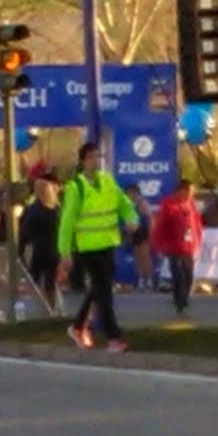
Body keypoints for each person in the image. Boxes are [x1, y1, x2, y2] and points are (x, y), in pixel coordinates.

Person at [57, 141, 138, 352]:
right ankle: (113, 336)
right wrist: (65, 251)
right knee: (104, 292)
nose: (96, 161)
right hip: (88, 247)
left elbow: (124, 205)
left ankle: (77, 326)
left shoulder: (108, 181)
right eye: (92, 157)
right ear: (83, 160)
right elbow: (67, 221)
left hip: (108, 243)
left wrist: (132, 219)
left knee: (100, 287)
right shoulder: (76, 187)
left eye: (98, 157)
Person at [150, 180, 203, 315]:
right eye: (188, 192)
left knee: (188, 275)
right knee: (178, 275)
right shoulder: (169, 205)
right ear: (181, 191)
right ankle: (180, 303)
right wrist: (160, 245)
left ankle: (182, 298)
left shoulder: (190, 204)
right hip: (174, 247)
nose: (190, 195)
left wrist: (198, 240)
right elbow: (161, 226)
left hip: (188, 246)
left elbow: (196, 223)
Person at [17, 170, 61, 308]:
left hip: (39, 248)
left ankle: (40, 307)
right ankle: (51, 307)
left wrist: (20, 250)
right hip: (55, 248)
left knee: (34, 279)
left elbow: (25, 231)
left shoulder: (34, 209)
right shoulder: (56, 209)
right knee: (50, 281)